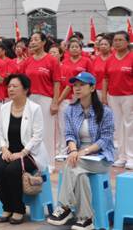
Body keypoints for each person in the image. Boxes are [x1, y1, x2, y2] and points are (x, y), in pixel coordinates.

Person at [47, 72, 115, 230]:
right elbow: (69, 134)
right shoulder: (70, 110)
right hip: (78, 156)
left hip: (100, 158)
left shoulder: (105, 111)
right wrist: (73, 150)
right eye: (75, 85)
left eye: (82, 85)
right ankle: (86, 218)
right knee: (79, 174)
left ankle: (64, 207)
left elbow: (105, 139)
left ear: (92, 88)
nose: (77, 88)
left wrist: (85, 151)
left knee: (73, 164)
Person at [0, 73, 50, 224]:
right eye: (9, 86)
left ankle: (18, 209)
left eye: (15, 86)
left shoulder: (34, 108)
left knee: (12, 170)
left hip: (30, 153)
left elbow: (38, 136)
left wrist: (22, 153)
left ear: (25, 89)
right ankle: (7, 207)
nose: (10, 89)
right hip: (9, 151)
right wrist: (4, 149)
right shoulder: (4, 108)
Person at [19, 32, 62, 167]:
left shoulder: (52, 61)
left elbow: (57, 82)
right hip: (29, 100)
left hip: (46, 99)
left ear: (44, 42)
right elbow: (22, 82)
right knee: (30, 131)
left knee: (47, 131)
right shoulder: (27, 61)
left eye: (36, 39)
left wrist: (55, 102)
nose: (32, 42)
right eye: (31, 40)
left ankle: (49, 163)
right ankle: (34, 162)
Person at [103, 31, 133, 169]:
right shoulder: (110, 59)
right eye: (115, 40)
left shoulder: (131, 57)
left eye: (120, 40)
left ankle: (131, 157)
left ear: (127, 42)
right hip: (113, 96)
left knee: (129, 126)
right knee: (118, 127)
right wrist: (104, 95)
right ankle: (121, 156)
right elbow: (105, 78)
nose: (117, 42)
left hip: (129, 95)